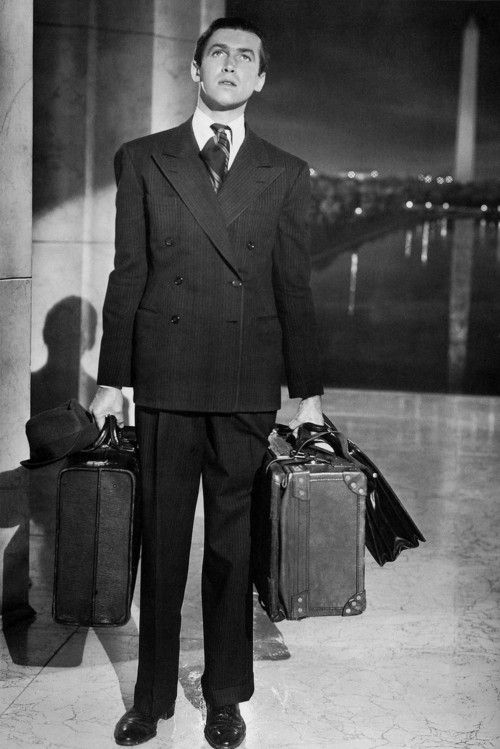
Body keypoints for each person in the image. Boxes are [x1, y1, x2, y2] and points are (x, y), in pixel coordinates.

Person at [90, 17, 324, 749]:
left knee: (232, 549)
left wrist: (308, 391)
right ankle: (151, 698)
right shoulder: (142, 158)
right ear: (195, 70)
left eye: (245, 57)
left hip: (246, 381)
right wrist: (111, 379)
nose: (230, 65)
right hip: (166, 378)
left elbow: (294, 287)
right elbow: (128, 273)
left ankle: (226, 696)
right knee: (161, 544)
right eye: (217, 53)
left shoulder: (287, 172)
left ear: (260, 79)